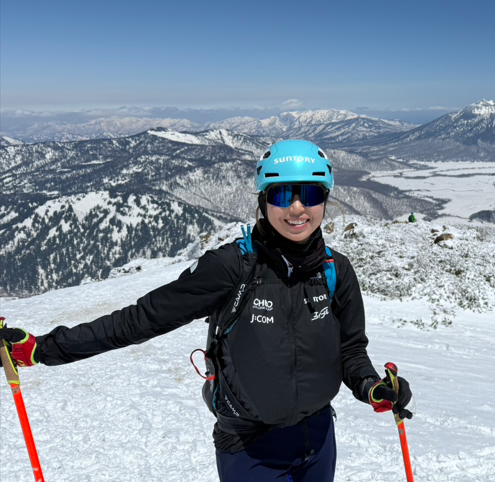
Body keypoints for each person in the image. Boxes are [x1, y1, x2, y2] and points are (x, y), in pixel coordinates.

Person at [0, 139, 413, 482]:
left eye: (310, 194)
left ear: (325, 199)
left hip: (319, 440)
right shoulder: (232, 267)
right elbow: (140, 319)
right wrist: (44, 348)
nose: (296, 209)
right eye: (282, 194)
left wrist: (373, 388)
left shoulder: (335, 270)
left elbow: (351, 351)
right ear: (263, 199)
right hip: (250, 450)